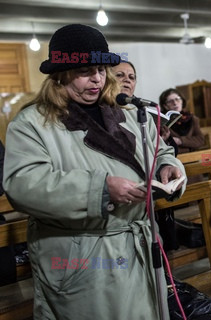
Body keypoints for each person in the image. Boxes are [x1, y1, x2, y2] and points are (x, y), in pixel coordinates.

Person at [2, 24, 186, 319]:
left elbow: (160, 151)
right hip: (85, 255)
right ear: (60, 75)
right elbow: (23, 184)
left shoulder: (125, 113)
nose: (98, 78)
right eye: (86, 71)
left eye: (101, 69)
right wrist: (100, 188)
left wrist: (168, 166)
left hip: (138, 246)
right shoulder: (32, 123)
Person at [159, 88, 205, 154]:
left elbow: (200, 140)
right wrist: (190, 145)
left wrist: (180, 141)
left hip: (192, 156)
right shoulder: (162, 121)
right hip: (173, 158)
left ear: (182, 101)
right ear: (165, 106)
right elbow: (163, 145)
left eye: (177, 99)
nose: (175, 103)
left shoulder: (193, 119)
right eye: (170, 101)